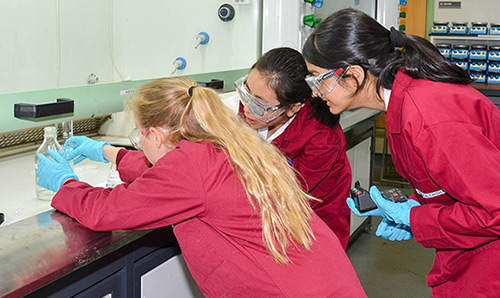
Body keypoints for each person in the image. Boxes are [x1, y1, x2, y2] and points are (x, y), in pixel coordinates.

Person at [35, 77, 366, 297]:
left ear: (157, 134)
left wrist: (64, 183)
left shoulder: (190, 166)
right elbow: (167, 176)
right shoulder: (223, 143)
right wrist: (106, 151)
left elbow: (106, 211)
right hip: (325, 280)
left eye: (139, 135)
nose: (139, 143)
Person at [302, 8, 500, 297]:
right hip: (468, 252)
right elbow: (450, 181)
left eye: (318, 78)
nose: (315, 91)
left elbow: (494, 211)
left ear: (353, 75)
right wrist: (414, 207)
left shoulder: (428, 115)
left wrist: (417, 219)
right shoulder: (403, 102)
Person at [236, 47, 352, 249]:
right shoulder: (254, 106)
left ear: (293, 108)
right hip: (264, 216)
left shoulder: (321, 137)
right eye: (246, 92)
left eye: (259, 103)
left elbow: (288, 196)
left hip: (313, 220)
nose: (246, 107)